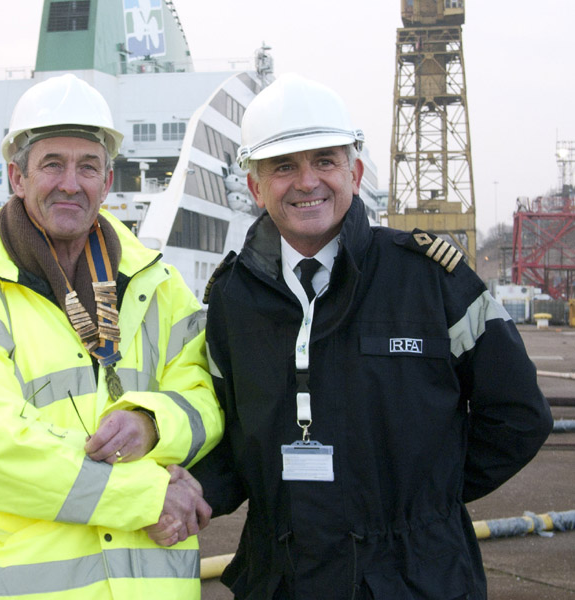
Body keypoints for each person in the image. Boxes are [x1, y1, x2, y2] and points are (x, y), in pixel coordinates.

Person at [186, 74, 553, 599]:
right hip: (281, 577)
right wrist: (195, 490)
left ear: (354, 173)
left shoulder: (430, 281)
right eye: (284, 166)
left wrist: (422, 506)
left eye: (325, 161)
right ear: (255, 186)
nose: (307, 181)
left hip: (415, 577)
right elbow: (232, 436)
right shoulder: (232, 299)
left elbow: (518, 415)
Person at [0, 73, 222, 600]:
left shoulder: (159, 285)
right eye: (52, 164)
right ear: (17, 176)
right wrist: (148, 494)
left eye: (88, 167)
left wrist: (150, 423)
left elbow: (205, 400)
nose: (71, 183)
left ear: (108, 182)